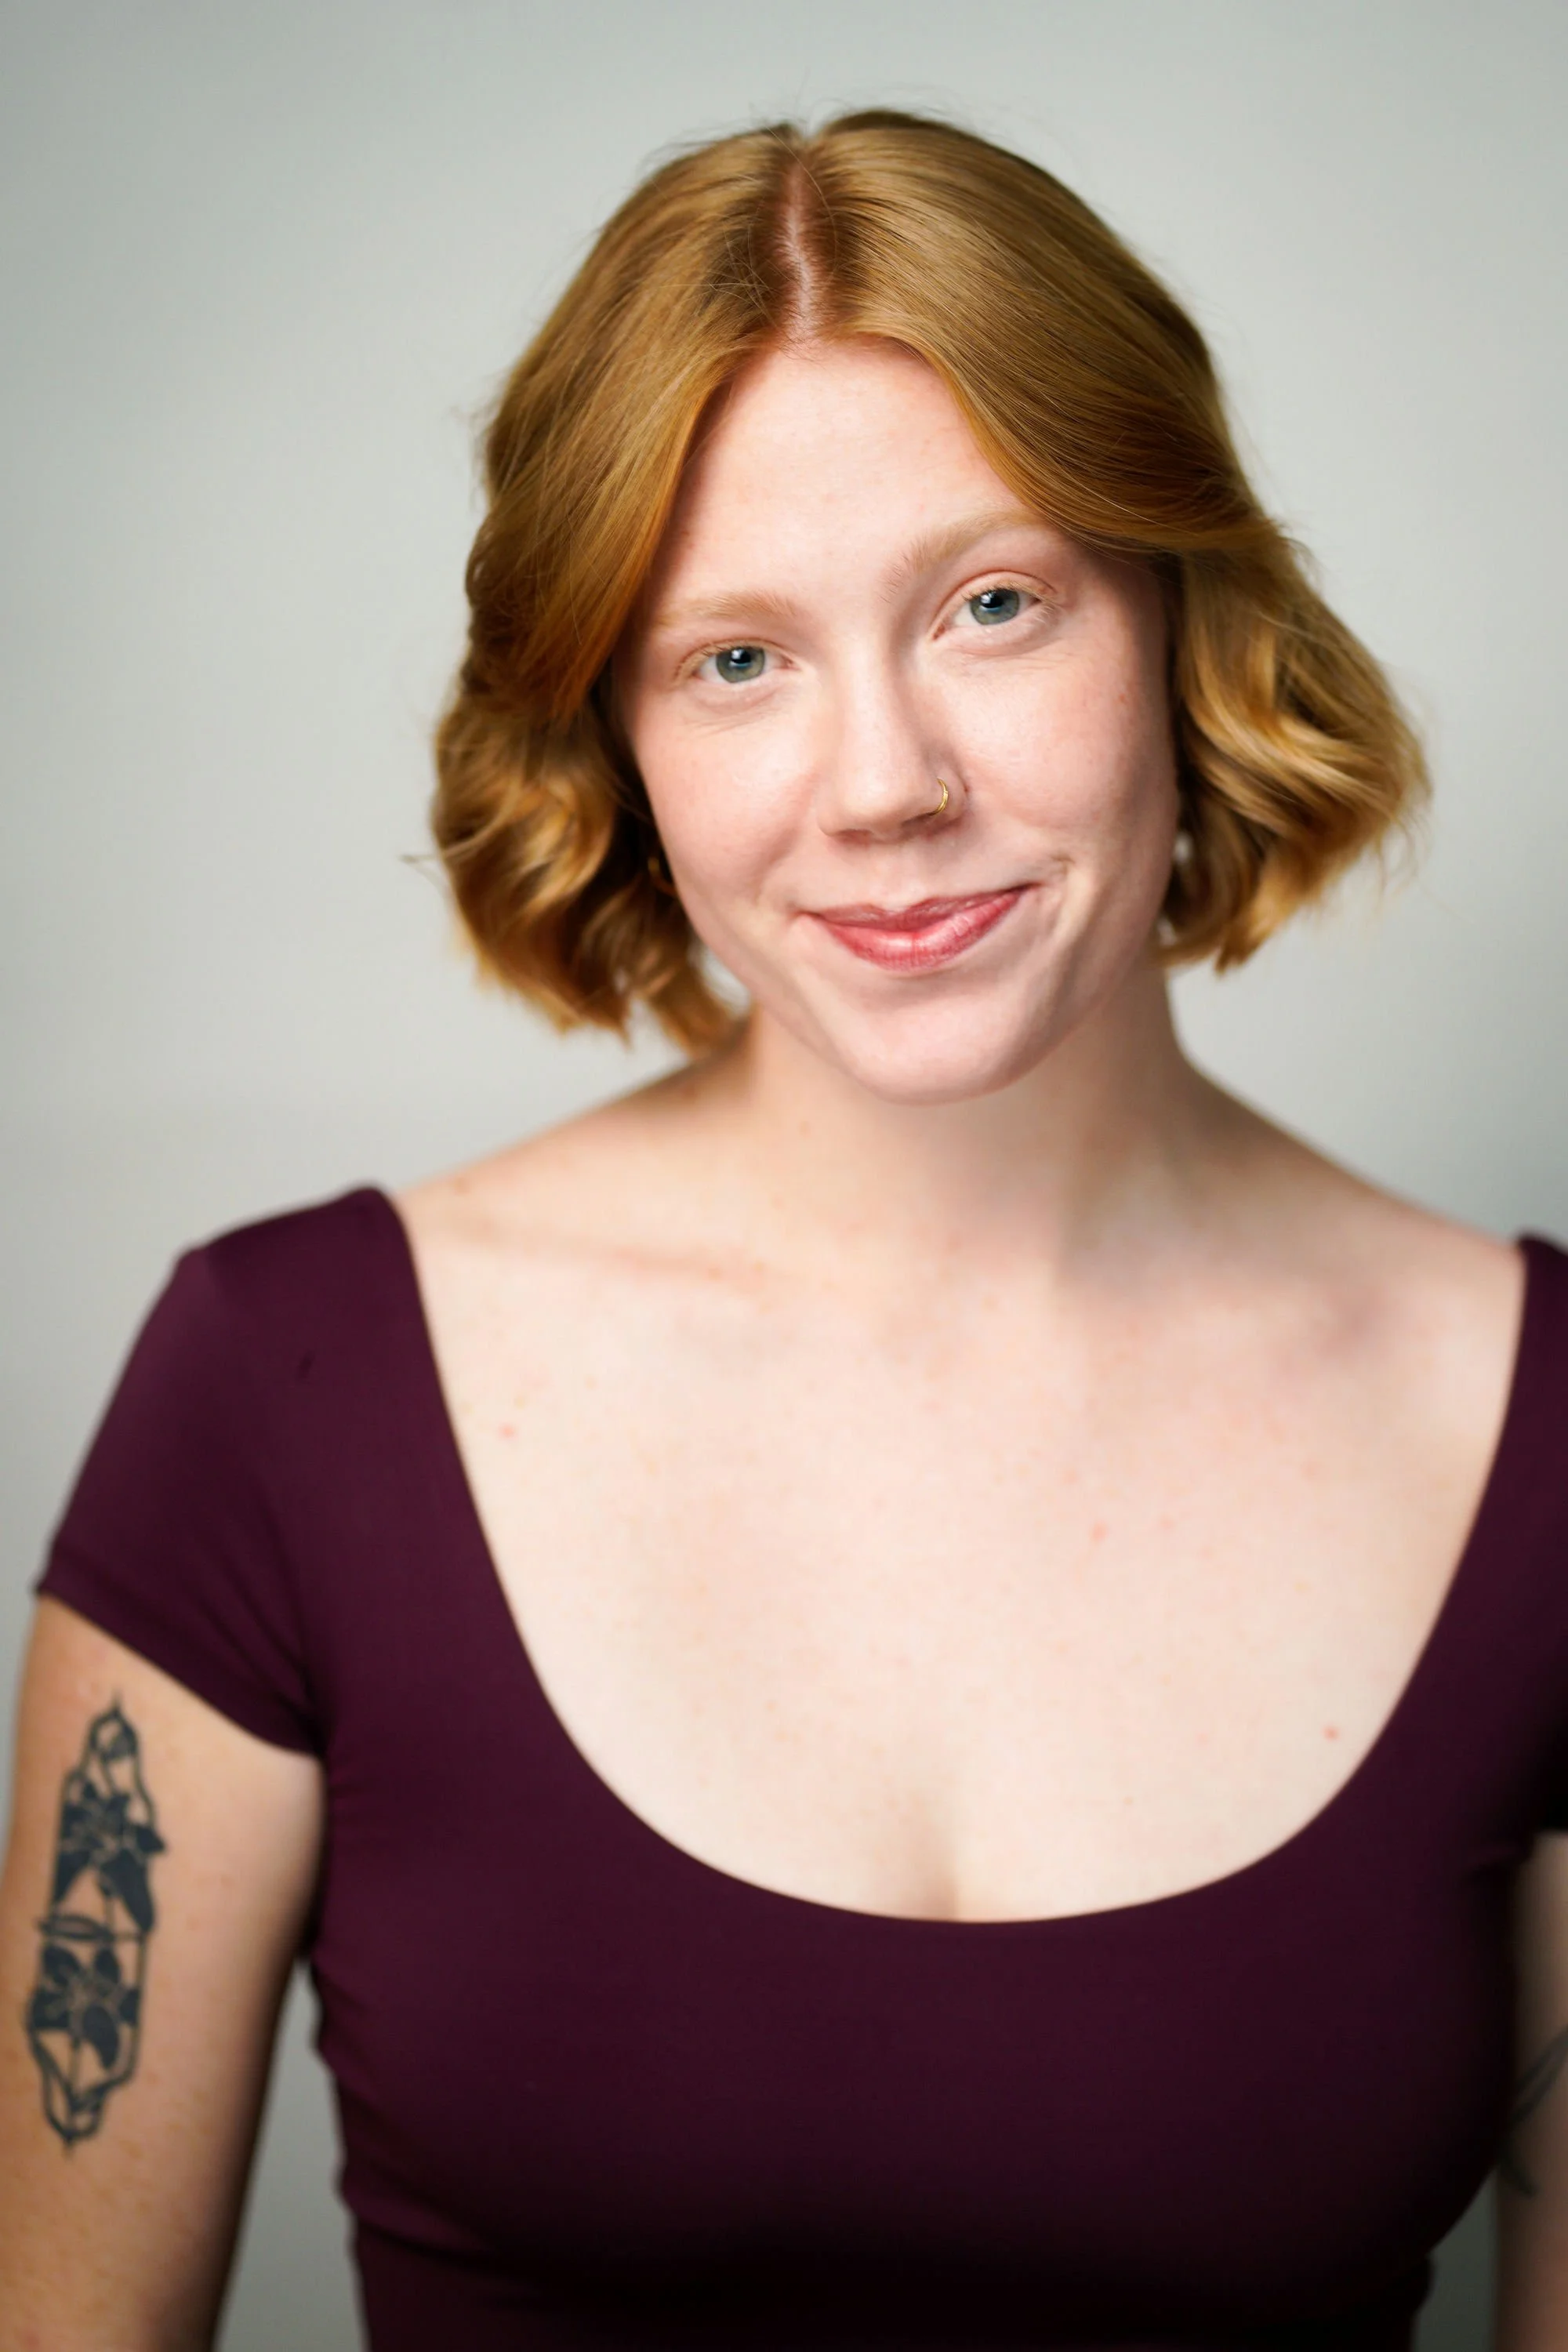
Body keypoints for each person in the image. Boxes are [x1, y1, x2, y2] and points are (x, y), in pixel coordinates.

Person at [0, 107, 1563, 2352]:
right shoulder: (281, 1393)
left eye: (993, 603)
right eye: (734, 658)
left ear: (1181, 613)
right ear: (615, 728)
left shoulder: (1545, 1433)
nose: (883, 783)